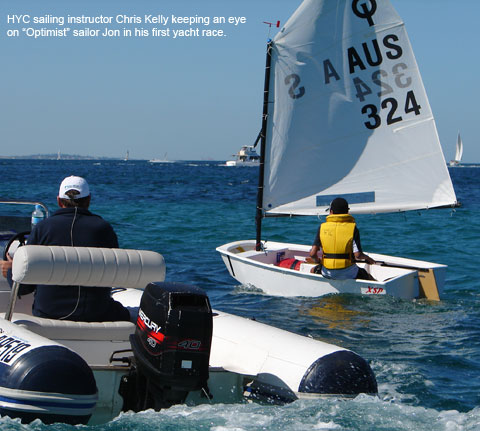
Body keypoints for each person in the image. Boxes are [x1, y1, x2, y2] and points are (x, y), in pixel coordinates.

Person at [24, 175, 131, 322]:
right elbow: (114, 274)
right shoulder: (103, 228)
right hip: (96, 314)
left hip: (48, 313)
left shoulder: (43, 228)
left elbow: (24, 287)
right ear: (88, 200)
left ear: (59, 201)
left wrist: (10, 269)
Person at [308, 197, 376, 280]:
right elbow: (358, 255)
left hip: (327, 273)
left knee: (312, 270)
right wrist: (369, 259)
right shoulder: (352, 228)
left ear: (331, 211)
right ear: (347, 211)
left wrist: (318, 261)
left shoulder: (322, 228)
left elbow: (312, 254)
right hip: (348, 273)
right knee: (367, 276)